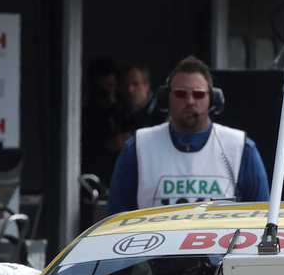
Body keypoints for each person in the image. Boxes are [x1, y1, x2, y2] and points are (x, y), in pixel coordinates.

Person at [106, 57, 269, 213]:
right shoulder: (137, 148)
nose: (190, 101)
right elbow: (115, 219)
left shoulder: (241, 149)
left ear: (212, 99)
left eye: (198, 94)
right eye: (180, 94)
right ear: (165, 97)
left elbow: (263, 218)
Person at [80, 57, 119, 182]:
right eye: (100, 86)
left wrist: (112, 98)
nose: (104, 90)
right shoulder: (88, 108)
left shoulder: (122, 106)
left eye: (110, 85)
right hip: (91, 167)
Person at [109, 61, 154, 153]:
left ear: (147, 86)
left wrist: (133, 138)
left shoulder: (161, 110)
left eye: (135, 84)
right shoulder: (116, 113)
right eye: (125, 85)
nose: (130, 90)